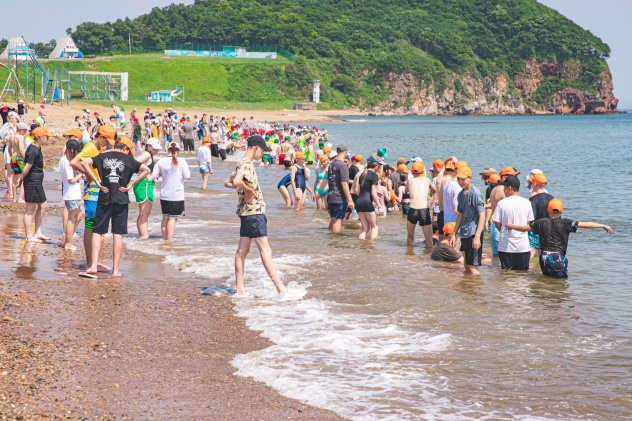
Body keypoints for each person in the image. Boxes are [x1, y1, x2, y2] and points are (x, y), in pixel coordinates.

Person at [223, 135, 287, 297]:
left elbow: (227, 182)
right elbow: (236, 181)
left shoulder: (241, 163)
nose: (263, 154)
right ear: (256, 148)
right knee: (266, 250)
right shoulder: (246, 163)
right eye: (262, 151)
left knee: (242, 251)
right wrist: (250, 190)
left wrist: (244, 188)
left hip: (245, 213)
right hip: (254, 212)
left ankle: (240, 289)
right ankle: (280, 288)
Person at [80, 139, 150, 277]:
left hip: (104, 197)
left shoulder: (102, 156)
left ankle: (93, 265)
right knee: (117, 234)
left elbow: (84, 163)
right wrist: (132, 183)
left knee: (97, 232)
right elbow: (147, 170)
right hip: (121, 198)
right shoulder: (128, 159)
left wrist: (95, 180)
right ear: (125, 148)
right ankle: (116, 270)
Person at [506, 199, 612, 278]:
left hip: (544, 257)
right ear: (561, 211)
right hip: (557, 258)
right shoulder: (566, 223)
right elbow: (586, 225)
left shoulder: (541, 222)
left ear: (548, 210)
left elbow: (524, 228)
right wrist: (602, 225)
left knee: (546, 281)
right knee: (560, 284)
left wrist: (512, 226)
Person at [71, 125, 116, 273]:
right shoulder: (90, 147)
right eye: (106, 140)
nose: (107, 144)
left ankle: (93, 263)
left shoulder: (98, 148)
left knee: (96, 227)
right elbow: (74, 162)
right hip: (92, 192)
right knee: (90, 227)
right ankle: (90, 263)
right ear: (100, 136)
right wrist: (88, 175)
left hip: (97, 191)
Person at [17, 127, 52, 242]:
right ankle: (29, 236)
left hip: (36, 182)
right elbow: (26, 168)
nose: (47, 139)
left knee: (43, 205)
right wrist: (21, 179)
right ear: (40, 137)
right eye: (46, 137)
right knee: (30, 208)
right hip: (32, 181)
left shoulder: (37, 148)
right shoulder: (33, 150)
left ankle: (37, 232)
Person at [492, 175, 534, 271]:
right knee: (522, 274)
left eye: (504, 187)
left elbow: (496, 221)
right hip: (523, 247)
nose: (503, 190)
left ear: (509, 188)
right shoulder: (527, 203)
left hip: (506, 247)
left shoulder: (502, 203)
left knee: (506, 274)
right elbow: (528, 223)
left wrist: (502, 230)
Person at [450, 166, 486, 274]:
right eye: (459, 179)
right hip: (465, 232)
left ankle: (477, 284)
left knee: (472, 267)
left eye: (463, 179)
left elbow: (482, 215)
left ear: (470, 178)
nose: (461, 182)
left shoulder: (475, 193)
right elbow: (460, 215)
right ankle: (468, 285)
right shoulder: (461, 194)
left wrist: (477, 237)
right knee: (466, 265)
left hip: (474, 233)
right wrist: (454, 234)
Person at [152, 142, 191, 240]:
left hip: (164, 194)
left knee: (165, 218)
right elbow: (187, 177)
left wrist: (162, 174)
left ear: (168, 149)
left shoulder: (161, 161)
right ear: (178, 150)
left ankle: (165, 239)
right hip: (176, 195)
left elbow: (153, 176)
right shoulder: (182, 161)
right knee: (173, 218)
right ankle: (169, 240)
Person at [59, 140, 83, 250]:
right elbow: (71, 180)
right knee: (72, 218)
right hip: (71, 193)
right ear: (72, 150)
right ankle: (68, 242)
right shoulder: (66, 162)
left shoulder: (65, 160)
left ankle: (66, 239)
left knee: (78, 216)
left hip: (72, 193)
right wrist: (81, 174)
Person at [134, 137, 160, 239]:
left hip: (143, 184)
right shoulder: (147, 154)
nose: (157, 150)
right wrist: (146, 172)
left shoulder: (149, 155)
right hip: (145, 184)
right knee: (144, 214)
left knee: (142, 214)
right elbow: (135, 162)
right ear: (148, 146)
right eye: (155, 148)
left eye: (157, 148)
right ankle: (144, 237)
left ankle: (141, 235)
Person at [406, 161, 436, 247]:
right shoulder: (427, 180)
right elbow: (434, 190)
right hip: (423, 210)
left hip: (412, 210)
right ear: (423, 171)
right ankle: (428, 255)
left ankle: (409, 254)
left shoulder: (410, 181)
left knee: (410, 237)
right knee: (429, 240)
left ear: (412, 172)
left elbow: (406, 190)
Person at [327, 144, 355, 232]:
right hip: (339, 197)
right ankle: (336, 239)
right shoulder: (342, 165)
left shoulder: (331, 164)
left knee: (333, 219)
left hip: (331, 195)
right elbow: (344, 183)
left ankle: (330, 237)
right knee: (338, 220)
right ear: (346, 151)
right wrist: (350, 200)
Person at [527, 172, 554, 259]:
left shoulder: (533, 199)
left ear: (535, 184)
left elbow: (530, 217)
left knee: (529, 256)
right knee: (544, 258)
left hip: (534, 232)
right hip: (547, 231)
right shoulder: (551, 198)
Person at [354, 156, 381, 239]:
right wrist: (379, 206)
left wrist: (375, 193)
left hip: (358, 202)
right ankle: (372, 245)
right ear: (376, 165)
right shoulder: (374, 175)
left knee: (365, 229)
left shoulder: (362, 174)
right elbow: (373, 192)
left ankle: (361, 244)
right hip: (367, 202)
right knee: (374, 227)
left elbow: (358, 191)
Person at [8, 122, 29, 202]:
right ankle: (20, 198)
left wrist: (12, 157)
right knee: (23, 177)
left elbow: (9, 149)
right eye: (24, 131)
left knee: (14, 178)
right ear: (20, 129)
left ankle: (14, 199)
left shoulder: (11, 137)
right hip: (20, 158)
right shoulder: (20, 137)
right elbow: (21, 149)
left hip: (13, 157)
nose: (25, 133)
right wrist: (26, 159)